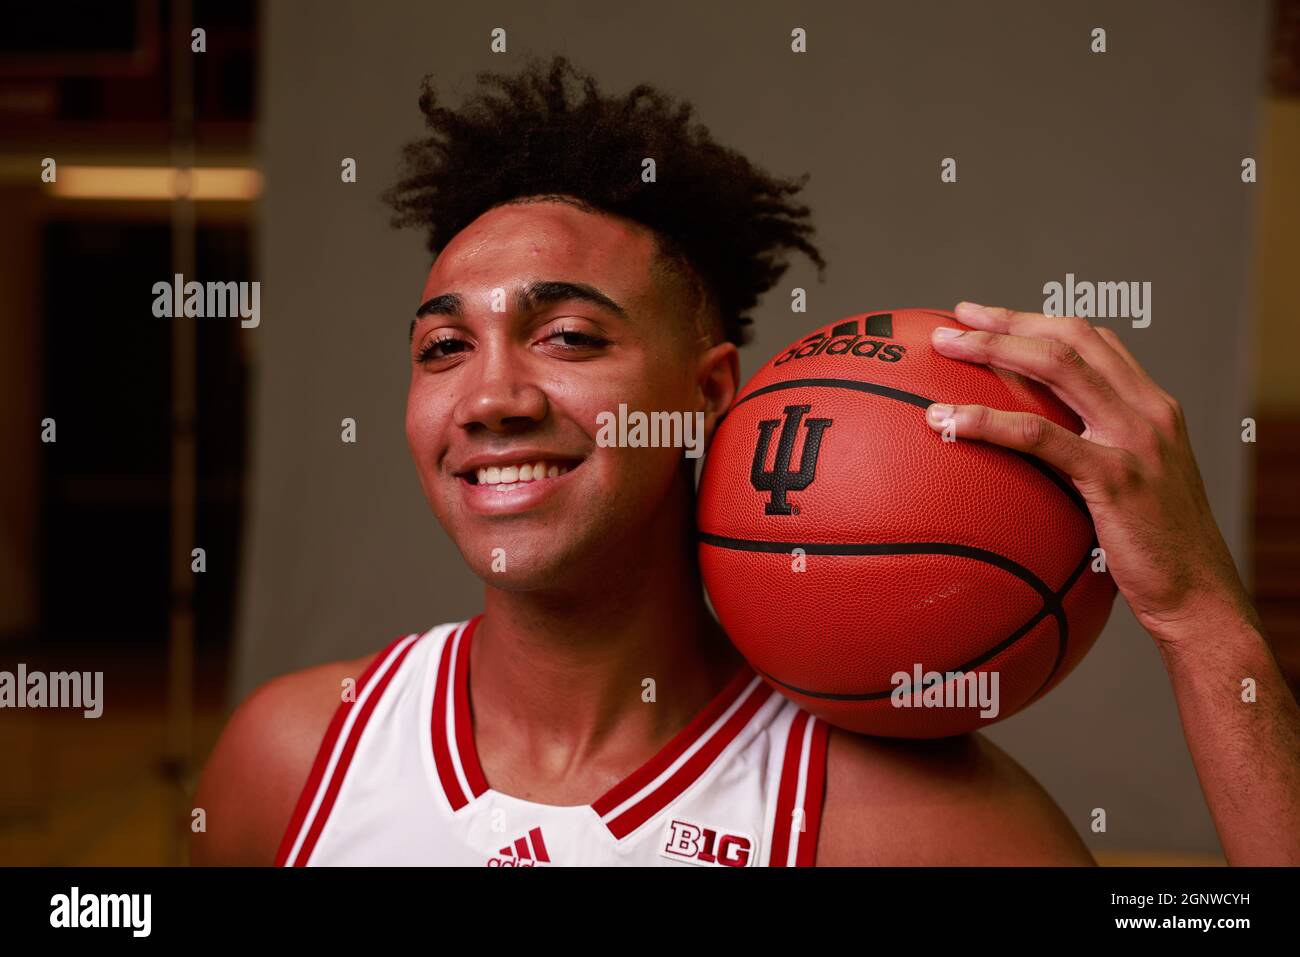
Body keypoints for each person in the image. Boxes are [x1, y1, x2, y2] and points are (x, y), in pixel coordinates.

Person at [192, 56, 1300, 867]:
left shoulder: (897, 824)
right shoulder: (294, 759)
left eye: (568, 336)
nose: (491, 397)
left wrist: (1201, 617)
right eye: (443, 348)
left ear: (708, 394)